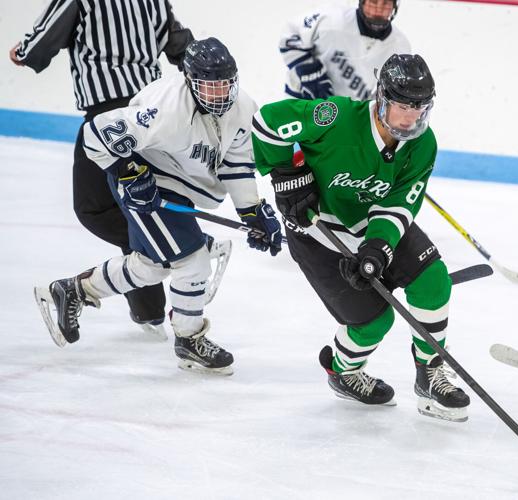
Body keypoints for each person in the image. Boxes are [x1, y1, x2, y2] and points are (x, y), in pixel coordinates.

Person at [33, 38, 283, 376]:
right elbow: (95, 135)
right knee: (192, 262)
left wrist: (251, 210)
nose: (219, 94)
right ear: (191, 81)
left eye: (225, 84)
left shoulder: (242, 108)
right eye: (209, 86)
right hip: (145, 183)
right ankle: (189, 339)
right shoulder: (165, 110)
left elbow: (236, 163)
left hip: (177, 186)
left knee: (153, 266)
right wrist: (126, 171)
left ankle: (74, 290)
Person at [251, 53, 471, 421]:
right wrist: (285, 174)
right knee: (374, 321)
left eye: (419, 107)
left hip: (369, 222)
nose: (410, 117)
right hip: (316, 228)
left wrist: (378, 247)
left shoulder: (423, 144)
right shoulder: (336, 118)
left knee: (433, 280)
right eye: (402, 105)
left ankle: (430, 374)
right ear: (382, 97)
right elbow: (267, 121)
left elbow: (400, 204)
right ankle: (343, 371)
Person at [10, 0, 232, 340]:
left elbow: (42, 42)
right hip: (152, 112)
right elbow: (182, 47)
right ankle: (150, 310)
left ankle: (191, 244)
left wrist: (22, 52)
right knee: (135, 208)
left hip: (109, 120)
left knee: (95, 209)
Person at [279, 0, 409, 101]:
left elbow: (390, 93)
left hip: (344, 116)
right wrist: (310, 73)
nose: (377, 10)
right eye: (373, 2)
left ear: (394, 6)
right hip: (301, 99)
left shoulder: (400, 48)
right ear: (362, 2)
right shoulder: (331, 18)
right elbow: (291, 35)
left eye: (385, 3)